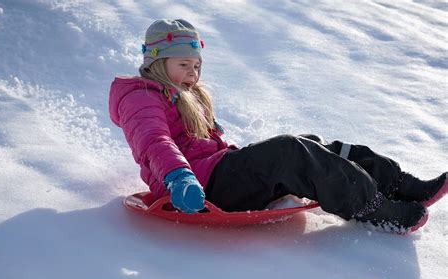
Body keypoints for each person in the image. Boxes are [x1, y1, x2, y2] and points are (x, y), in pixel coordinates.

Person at [109, 19, 447, 233]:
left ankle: (400, 184)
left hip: (215, 174)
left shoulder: (182, 95)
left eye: (197, 65)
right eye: (184, 64)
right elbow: (154, 142)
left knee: (310, 144)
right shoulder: (140, 98)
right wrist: (178, 177)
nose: (193, 74)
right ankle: (376, 210)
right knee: (290, 150)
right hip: (196, 188)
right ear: (155, 61)